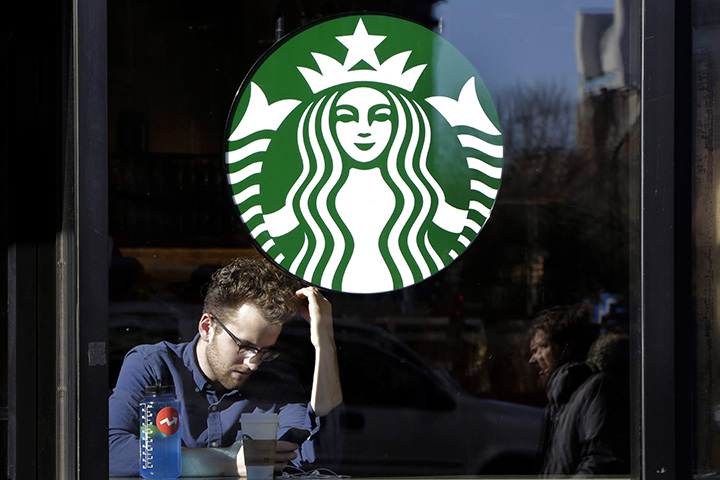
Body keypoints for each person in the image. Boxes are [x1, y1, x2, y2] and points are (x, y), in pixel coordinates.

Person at [109, 257, 343, 477]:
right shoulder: (153, 366)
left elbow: (319, 459)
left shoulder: (276, 381)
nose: (253, 363)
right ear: (207, 327)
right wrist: (226, 460)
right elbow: (110, 451)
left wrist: (325, 343)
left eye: (265, 351)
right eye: (244, 346)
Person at [528, 305, 629, 477]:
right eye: (533, 351)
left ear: (567, 347)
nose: (533, 359)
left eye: (541, 348)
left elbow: (600, 462)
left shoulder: (595, 389)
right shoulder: (558, 402)